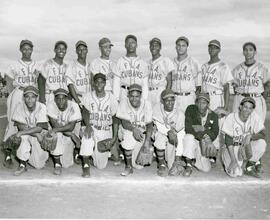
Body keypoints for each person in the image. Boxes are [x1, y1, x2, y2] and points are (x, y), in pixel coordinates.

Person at [3, 40, 40, 168]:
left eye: (29, 48)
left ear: (32, 50)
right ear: (20, 50)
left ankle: (27, 153)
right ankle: (7, 153)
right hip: (19, 93)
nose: (27, 51)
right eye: (24, 48)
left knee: (30, 122)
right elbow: (8, 81)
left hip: (32, 95)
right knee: (13, 123)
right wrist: (12, 95)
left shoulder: (37, 65)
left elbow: (39, 81)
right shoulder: (14, 65)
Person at [79, 73, 119, 177]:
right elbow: (85, 112)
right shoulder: (88, 96)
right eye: (97, 82)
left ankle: (92, 154)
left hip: (105, 130)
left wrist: (114, 137)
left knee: (101, 166)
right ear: (93, 83)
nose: (99, 84)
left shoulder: (111, 97)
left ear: (105, 83)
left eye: (102, 81)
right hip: (92, 126)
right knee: (87, 137)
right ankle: (86, 165)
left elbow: (115, 118)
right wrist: (87, 125)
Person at [221, 97, 266, 178]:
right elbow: (228, 140)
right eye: (245, 107)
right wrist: (233, 160)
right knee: (236, 173)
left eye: (250, 108)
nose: (247, 110)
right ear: (240, 107)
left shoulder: (254, 117)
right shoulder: (231, 117)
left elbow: (263, 134)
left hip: (245, 148)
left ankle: (248, 166)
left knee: (261, 143)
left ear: (252, 110)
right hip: (231, 148)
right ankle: (228, 161)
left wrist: (251, 136)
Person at [11, 86, 49, 175]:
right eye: (27, 97)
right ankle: (22, 164)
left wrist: (36, 134)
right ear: (24, 98)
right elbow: (21, 127)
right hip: (32, 134)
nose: (30, 99)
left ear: (37, 98)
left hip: (40, 134)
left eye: (33, 97)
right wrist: (35, 134)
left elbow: (39, 128)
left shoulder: (42, 107)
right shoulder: (19, 106)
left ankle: (33, 154)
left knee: (38, 165)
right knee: (22, 137)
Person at [116, 84, 153, 176]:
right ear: (128, 95)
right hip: (127, 130)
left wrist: (147, 141)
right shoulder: (124, 102)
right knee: (129, 136)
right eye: (131, 96)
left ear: (140, 95)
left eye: (137, 96)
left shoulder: (147, 104)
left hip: (141, 134)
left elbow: (149, 124)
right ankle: (128, 167)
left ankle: (132, 157)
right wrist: (134, 129)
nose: (134, 99)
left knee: (139, 166)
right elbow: (124, 123)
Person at [181, 93, 219, 177]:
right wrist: (204, 135)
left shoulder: (213, 115)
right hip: (194, 139)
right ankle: (188, 165)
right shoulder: (190, 109)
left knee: (206, 169)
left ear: (208, 104)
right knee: (188, 137)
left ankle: (194, 160)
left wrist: (203, 130)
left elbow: (215, 132)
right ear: (196, 103)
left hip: (203, 142)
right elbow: (188, 129)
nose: (201, 105)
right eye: (199, 102)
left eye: (204, 103)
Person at [66, 40, 91, 164]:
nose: (81, 51)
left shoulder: (90, 65)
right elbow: (70, 85)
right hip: (77, 97)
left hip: (88, 97)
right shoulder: (72, 65)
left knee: (86, 125)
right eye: (79, 49)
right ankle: (75, 152)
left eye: (84, 49)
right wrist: (78, 101)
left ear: (87, 50)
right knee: (76, 126)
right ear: (76, 51)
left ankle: (86, 151)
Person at [232, 42, 270, 123]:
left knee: (256, 127)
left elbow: (267, 86)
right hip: (240, 99)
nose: (248, 52)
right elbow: (234, 86)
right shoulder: (236, 69)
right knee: (238, 125)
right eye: (245, 50)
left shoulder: (262, 68)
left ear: (255, 52)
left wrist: (262, 98)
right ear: (243, 52)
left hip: (256, 98)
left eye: (250, 50)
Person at [47, 88, 82, 175]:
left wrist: (70, 133)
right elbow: (55, 126)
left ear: (67, 99)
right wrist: (72, 135)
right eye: (58, 98)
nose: (61, 101)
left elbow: (71, 127)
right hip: (65, 134)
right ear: (55, 99)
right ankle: (57, 164)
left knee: (67, 164)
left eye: (63, 98)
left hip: (68, 135)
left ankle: (73, 151)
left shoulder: (74, 106)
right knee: (56, 134)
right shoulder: (51, 105)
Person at [152, 89, 185, 176]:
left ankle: (174, 161)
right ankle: (161, 163)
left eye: (172, 100)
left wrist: (178, 158)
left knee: (171, 167)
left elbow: (181, 136)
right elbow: (159, 127)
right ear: (162, 101)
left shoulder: (180, 113)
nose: (170, 103)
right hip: (162, 134)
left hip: (174, 139)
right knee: (159, 137)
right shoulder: (157, 108)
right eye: (167, 101)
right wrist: (168, 131)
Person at [113, 35, 149, 102]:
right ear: (125, 45)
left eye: (133, 42)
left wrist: (144, 99)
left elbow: (145, 84)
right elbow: (116, 82)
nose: (130, 45)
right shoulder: (120, 61)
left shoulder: (143, 62)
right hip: (124, 93)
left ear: (136, 45)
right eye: (128, 43)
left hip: (138, 94)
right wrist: (116, 98)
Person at [170, 36, 201, 112]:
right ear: (176, 47)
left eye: (183, 45)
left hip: (188, 98)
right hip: (174, 97)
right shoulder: (171, 63)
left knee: (189, 122)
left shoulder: (194, 62)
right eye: (179, 45)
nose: (181, 48)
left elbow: (199, 86)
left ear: (187, 47)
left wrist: (195, 100)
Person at [38, 41, 68, 105]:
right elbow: (41, 80)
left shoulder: (66, 67)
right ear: (55, 50)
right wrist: (42, 98)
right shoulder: (48, 64)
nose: (61, 50)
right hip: (50, 95)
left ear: (66, 51)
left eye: (63, 49)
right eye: (59, 48)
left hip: (63, 97)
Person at [147, 38, 174, 107]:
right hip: (149, 92)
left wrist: (166, 96)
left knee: (159, 114)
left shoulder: (166, 60)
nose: (153, 47)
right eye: (152, 45)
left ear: (160, 47)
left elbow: (169, 82)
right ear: (149, 47)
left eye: (156, 45)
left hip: (160, 91)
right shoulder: (148, 62)